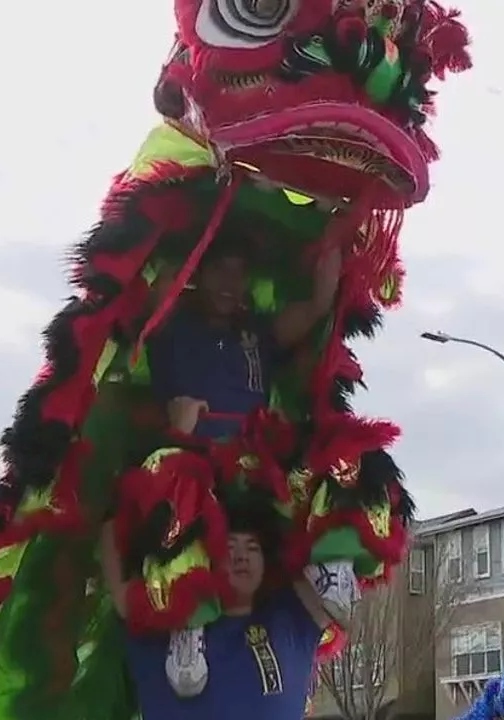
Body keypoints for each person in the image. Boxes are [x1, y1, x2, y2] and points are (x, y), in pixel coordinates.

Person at [134, 230, 360, 698]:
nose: (230, 282)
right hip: (193, 463)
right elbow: (153, 277)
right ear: (198, 270)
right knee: (175, 476)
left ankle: (331, 564)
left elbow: (319, 303)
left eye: (240, 273)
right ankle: (187, 622)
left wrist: (337, 223)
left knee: (343, 450)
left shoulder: (257, 331)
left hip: (259, 465)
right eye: (220, 269)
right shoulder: (171, 322)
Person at [103, 505, 331, 719]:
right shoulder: (165, 624)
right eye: (229, 547)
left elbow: (320, 583)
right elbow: (120, 582)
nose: (241, 556)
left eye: (252, 547)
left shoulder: (288, 619)